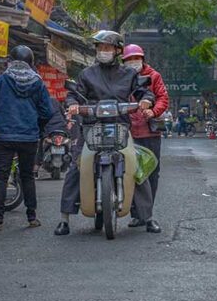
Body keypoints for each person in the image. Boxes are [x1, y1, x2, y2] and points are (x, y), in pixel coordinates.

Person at [55, 30, 159, 236]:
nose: (103, 51)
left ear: (118, 50)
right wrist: (74, 104)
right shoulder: (86, 74)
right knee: (77, 166)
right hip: (91, 128)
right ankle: (64, 219)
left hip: (120, 127)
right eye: (100, 48)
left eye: (107, 48)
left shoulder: (129, 74)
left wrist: (146, 100)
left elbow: (144, 91)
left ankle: (148, 217)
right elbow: (73, 95)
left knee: (136, 166)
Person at [0, 45, 54, 231]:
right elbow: (47, 111)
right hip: (29, 136)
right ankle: (32, 217)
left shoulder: (2, 80)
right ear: (30, 63)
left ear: (10, 62)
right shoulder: (37, 82)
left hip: (4, 135)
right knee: (27, 176)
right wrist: (37, 126)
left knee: (1, 176)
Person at [122, 43, 170, 227]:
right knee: (131, 172)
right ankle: (136, 213)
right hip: (127, 131)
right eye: (129, 59)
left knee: (150, 173)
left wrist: (154, 111)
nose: (133, 62)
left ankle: (147, 214)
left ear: (142, 59)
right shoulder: (121, 77)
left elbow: (163, 98)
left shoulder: (154, 76)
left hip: (149, 132)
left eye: (136, 58)